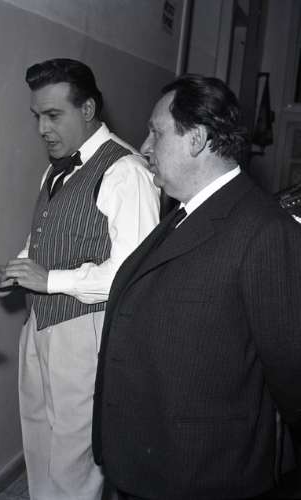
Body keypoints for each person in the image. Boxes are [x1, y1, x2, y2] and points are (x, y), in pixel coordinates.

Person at [92, 74, 301, 500]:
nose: (144, 146)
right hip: (146, 461)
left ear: (197, 139)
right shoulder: (182, 213)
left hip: (201, 475)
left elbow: (292, 375)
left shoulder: (265, 230)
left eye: (156, 132)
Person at [0, 58, 159, 500]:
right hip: (39, 323)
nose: (42, 128)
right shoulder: (57, 167)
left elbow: (131, 272)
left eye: (53, 115)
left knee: (74, 457)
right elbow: (44, 237)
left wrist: (49, 281)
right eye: (37, 116)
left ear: (87, 110)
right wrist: (18, 270)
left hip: (88, 330)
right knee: (39, 441)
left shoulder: (127, 171)